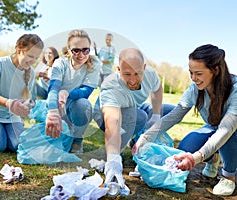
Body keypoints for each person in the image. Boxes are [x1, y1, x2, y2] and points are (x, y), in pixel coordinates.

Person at [133, 44, 237, 196]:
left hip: (233, 131)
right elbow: (175, 115)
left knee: (230, 135)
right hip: (215, 128)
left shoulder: (234, 88)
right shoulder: (195, 89)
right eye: (191, 73)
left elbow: (226, 128)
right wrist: (146, 136)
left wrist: (196, 157)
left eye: (199, 73)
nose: (194, 78)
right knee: (186, 146)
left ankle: (229, 175)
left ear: (215, 70)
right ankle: (213, 158)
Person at [93, 48, 174, 188]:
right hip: (106, 113)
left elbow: (157, 88)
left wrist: (156, 115)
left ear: (144, 68)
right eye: (127, 74)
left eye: (137, 73)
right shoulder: (110, 86)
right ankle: (119, 149)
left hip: (136, 106)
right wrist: (113, 158)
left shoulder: (150, 74)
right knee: (140, 116)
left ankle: (138, 140)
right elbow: (112, 121)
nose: (132, 80)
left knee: (169, 111)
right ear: (118, 69)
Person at [0, 34, 44, 153]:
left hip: (11, 116)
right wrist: (9, 103)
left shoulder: (31, 73)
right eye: (30, 56)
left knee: (18, 146)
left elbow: (25, 99)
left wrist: (24, 109)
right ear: (19, 50)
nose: (32, 61)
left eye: (36, 58)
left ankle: (9, 130)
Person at [45, 29, 100, 153]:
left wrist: (67, 92)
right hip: (59, 104)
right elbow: (53, 87)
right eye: (76, 50)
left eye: (85, 50)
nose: (81, 55)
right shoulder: (60, 63)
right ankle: (66, 128)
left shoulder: (95, 64)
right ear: (69, 51)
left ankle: (77, 140)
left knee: (84, 105)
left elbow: (87, 91)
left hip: (75, 105)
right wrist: (52, 112)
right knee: (55, 143)